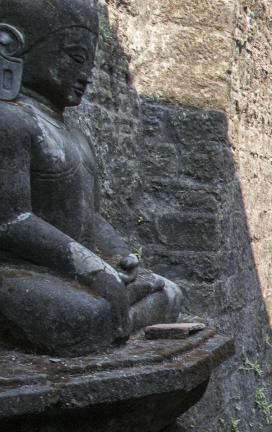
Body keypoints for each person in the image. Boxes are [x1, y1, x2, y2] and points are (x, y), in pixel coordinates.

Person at [0, 0, 182, 357]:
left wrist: (118, 255)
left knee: (168, 291)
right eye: (73, 57)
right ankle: (113, 321)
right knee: (87, 316)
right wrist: (90, 267)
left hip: (70, 267)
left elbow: (89, 217)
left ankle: (116, 320)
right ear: (12, 44)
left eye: (89, 61)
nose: (85, 74)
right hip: (18, 267)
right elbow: (11, 221)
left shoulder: (76, 137)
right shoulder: (11, 122)